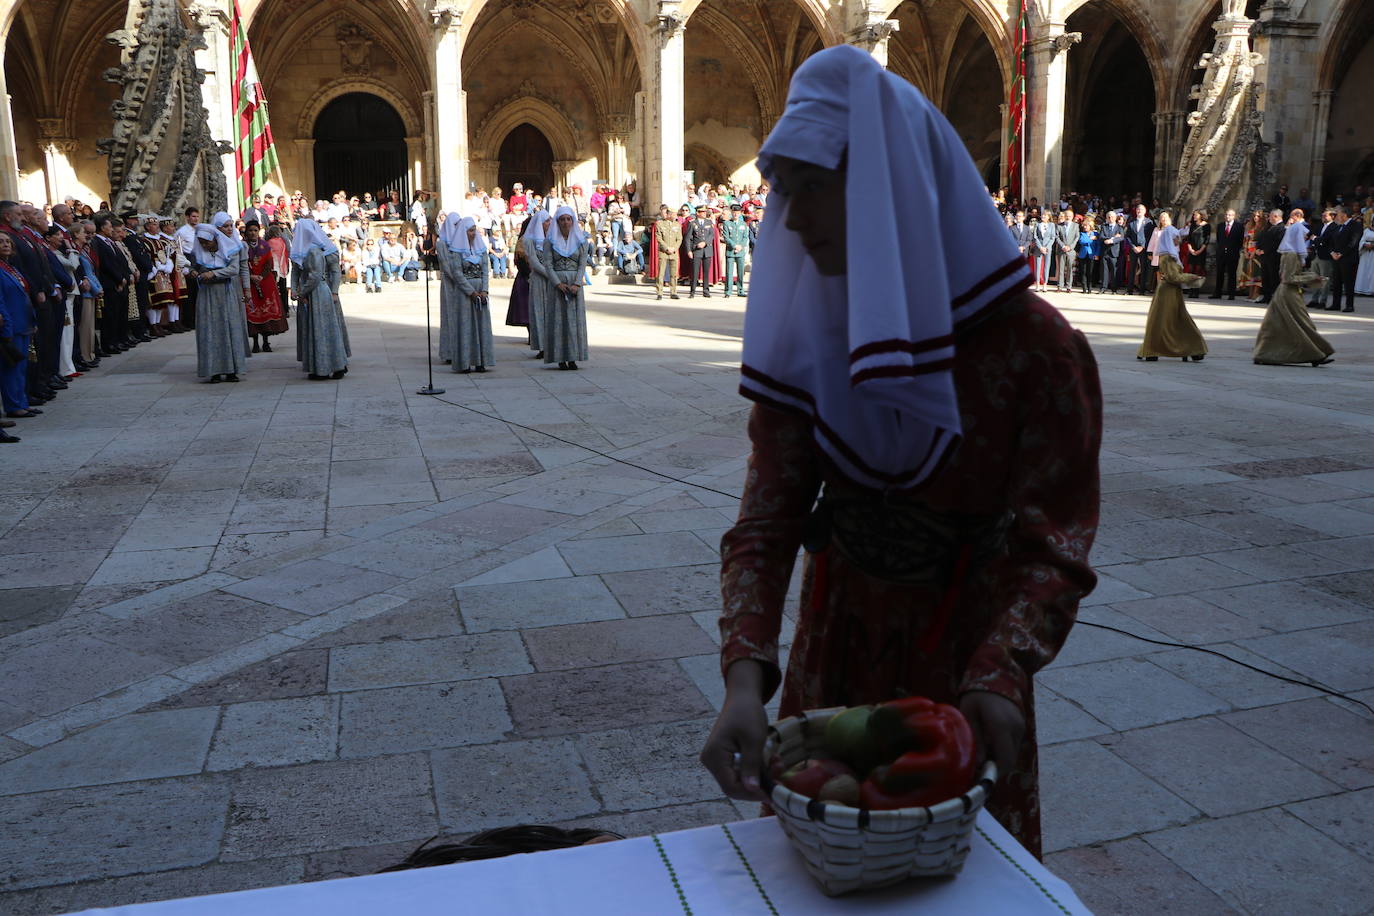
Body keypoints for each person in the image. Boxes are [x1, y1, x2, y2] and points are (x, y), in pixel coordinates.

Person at [699, 45, 1100, 860]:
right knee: (825, 863)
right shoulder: (810, 337)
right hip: (830, 657)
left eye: (815, 187)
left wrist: (1001, 669)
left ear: (889, 192)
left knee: (953, 875)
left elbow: (1051, 545)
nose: (793, 217)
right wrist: (745, 678)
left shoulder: (1036, 350)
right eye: (785, 189)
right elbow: (766, 520)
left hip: (965, 671)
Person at [1253, 210, 1334, 367]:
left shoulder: (1290, 252)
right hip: (1288, 294)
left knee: (1278, 325)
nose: (1305, 238)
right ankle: (1316, 354)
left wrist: (1310, 277)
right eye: (1303, 236)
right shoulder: (1290, 254)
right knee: (1301, 324)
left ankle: (1266, 353)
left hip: (1287, 294)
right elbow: (1289, 278)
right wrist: (1312, 278)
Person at [1137, 211, 1206, 362]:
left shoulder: (1168, 254)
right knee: (1171, 322)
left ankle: (1152, 350)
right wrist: (1193, 277)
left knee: (1165, 322)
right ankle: (1190, 349)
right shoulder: (1168, 256)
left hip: (1170, 292)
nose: (1178, 241)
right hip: (1168, 292)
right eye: (1176, 238)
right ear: (1169, 238)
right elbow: (1174, 277)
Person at [189, 223, 250, 383]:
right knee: (211, 330)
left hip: (225, 293)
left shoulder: (231, 249)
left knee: (229, 328)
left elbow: (234, 269)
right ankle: (214, 370)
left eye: (207, 242)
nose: (204, 245)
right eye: (201, 242)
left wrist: (214, 273)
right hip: (207, 296)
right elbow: (191, 267)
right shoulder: (199, 253)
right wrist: (193, 271)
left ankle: (231, 370)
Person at [290, 218, 349, 380]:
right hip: (310, 292)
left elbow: (319, 274)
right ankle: (323, 365)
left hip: (318, 293)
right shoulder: (302, 249)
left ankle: (330, 366)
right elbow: (296, 270)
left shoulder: (315, 250)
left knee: (323, 329)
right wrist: (294, 290)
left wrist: (302, 292)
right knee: (317, 330)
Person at [440, 215, 495, 373]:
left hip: (480, 291)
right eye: (470, 231)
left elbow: (486, 270)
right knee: (465, 325)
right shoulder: (456, 250)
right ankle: (465, 361)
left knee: (481, 325)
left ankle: (481, 360)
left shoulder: (481, 249)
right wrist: (471, 292)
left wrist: (484, 290)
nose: (472, 234)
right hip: (465, 293)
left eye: (474, 230)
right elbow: (457, 273)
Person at [543, 205, 590, 370]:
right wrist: (557, 283)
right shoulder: (550, 241)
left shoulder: (580, 240)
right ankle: (560, 357)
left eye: (568, 219)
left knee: (573, 321)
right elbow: (548, 264)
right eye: (562, 219)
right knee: (558, 320)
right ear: (558, 221)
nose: (565, 222)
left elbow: (582, 264)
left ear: (573, 221)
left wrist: (577, 283)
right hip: (557, 284)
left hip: (574, 284)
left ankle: (573, 357)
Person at [0, 232, 36, 430]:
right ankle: (14, 405)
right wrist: (6, 329)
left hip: (23, 323)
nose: (5, 245)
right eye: (1, 242)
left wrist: (33, 320)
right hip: (10, 325)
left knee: (20, 367)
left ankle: (21, 402)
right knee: (10, 369)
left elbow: (24, 294)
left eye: (7, 242)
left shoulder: (11, 268)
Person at [243, 221, 288, 353]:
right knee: (252, 311)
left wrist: (261, 276)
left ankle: (266, 342)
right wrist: (251, 276)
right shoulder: (243, 246)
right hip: (249, 282)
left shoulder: (265, 245)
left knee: (266, 312)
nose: (253, 233)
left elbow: (269, 263)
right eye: (250, 230)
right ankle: (255, 342)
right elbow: (242, 264)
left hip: (265, 281)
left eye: (255, 230)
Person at [524, 210, 554, 359]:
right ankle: (541, 345)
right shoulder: (529, 240)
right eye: (546, 221)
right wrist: (550, 275)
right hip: (539, 279)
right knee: (539, 311)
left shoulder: (552, 239)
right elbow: (534, 262)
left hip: (552, 281)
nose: (549, 224)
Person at [1327, 207, 1362, 313]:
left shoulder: (1355, 225)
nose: (1337, 216)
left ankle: (1349, 305)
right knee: (1336, 282)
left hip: (1348, 259)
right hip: (1336, 258)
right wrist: (1332, 252)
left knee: (1348, 283)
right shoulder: (1339, 227)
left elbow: (1353, 242)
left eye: (1338, 214)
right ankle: (1336, 304)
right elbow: (1332, 241)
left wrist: (1341, 253)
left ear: (1344, 215)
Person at [1211, 208, 1244, 300]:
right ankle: (1217, 292)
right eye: (1226, 214)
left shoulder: (1239, 226)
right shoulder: (1220, 226)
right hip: (1221, 253)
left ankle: (1231, 293)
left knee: (1232, 273)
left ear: (1234, 216)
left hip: (1233, 253)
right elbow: (1219, 239)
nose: (1227, 216)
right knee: (1220, 273)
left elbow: (1240, 240)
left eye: (1229, 215)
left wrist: (1234, 249)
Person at [1255, 209, 1286, 303]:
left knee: (1274, 277)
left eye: (1271, 216)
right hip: (1264, 256)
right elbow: (1260, 238)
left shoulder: (1282, 228)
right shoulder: (1268, 227)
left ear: (1276, 216)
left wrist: (1265, 250)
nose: (1269, 218)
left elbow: (1277, 243)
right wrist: (1258, 248)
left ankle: (1275, 298)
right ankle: (1266, 296)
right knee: (1265, 277)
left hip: (1274, 257)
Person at [652, 205, 682, 300]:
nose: (675, 216)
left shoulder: (677, 225)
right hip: (663, 252)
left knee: (673, 273)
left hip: (673, 252)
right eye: (674, 214)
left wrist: (674, 248)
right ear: (669, 214)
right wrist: (666, 248)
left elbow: (679, 239)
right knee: (661, 272)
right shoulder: (660, 224)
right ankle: (659, 292)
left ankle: (673, 292)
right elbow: (659, 238)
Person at [1124, 204, 1154, 294]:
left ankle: (1142, 290)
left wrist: (1142, 246)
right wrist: (1133, 246)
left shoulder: (1149, 222)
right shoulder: (1131, 222)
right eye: (1138, 209)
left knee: (1144, 268)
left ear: (1145, 211)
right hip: (1133, 249)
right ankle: (1130, 289)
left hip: (1144, 249)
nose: (1139, 211)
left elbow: (1150, 237)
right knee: (1132, 268)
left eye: (1141, 209)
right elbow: (1128, 236)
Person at [721, 204, 749, 297]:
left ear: (740, 213)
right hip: (730, 251)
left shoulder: (743, 224)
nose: (735, 214)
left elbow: (745, 237)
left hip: (740, 252)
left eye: (737, 213)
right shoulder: (727, 223)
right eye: (734, 212)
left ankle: (740, 290)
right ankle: (728, 291)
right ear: (731, 213)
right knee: (729, 272)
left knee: (740, 272)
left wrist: (740, 246)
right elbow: (726, 237)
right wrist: (734, 246)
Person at [687, 204, 715, 297]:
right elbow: (688, 238)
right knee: (695, 272)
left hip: (707, 249)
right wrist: (689, 250)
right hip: (696, 250)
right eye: (701, 212)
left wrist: (705, 242)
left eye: (704, 212)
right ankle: (692, 291)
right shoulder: (692, 223)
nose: (703, 213)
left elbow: (711, 235)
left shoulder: (709, 222)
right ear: (697, 213)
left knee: (706, 272)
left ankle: (706, 291)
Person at [1184, 210, 1210, 299]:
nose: (1194, 216)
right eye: (1193, 214)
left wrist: (1200, 250)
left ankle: (1196, 291)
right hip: (1192, 250)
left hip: (1201, 251)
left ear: (1201, 215)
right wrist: (1190, 248)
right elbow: (1189, 239)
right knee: (1191, 270)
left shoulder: (1207, 226)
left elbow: (1207, 240)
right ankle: (1191, 289)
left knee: (1198, 270)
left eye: (1196, 215)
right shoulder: (1192, 225)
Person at [1098, 210, 1123, 293]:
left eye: (1112, 217)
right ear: (1106, 218)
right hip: (1105, 251)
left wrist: (1111, 240)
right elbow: (1101, 236)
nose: (1110, 218)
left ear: (1115, 218)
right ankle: (1103, 287)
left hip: (1114, 251)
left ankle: (1114, 288)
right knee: (1104, 271)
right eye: (1109, 217)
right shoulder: (1104, 226)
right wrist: (1113, 237)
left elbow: (1121, 237)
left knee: (1114, 271)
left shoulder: (1119, 227)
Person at [1030, 210, 1056, 292]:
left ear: (1048, 217)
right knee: (1037, 266)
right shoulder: (1038, 224)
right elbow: (1035, 236)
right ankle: (1037, 284)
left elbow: (1053, 237)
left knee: (1047, 266)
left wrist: (1047, 247)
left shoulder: (1052, 225)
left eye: (1045, 216)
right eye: (1042, 215)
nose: (1043, 217)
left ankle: (1045, 284)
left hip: (1048, 248)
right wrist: (1040, 247)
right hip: (1039, 247)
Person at [1055, 209, 1078, 292]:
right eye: (1067, 216)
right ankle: (1060, 286)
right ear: (1064, 216)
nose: (1068, 217)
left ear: (1072, 217)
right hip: (1061, 250)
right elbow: (1056, 237)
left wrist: (1070, 247)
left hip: (1071, 251)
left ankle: (1069, 286)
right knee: (1061, 269)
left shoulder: (1076, 226)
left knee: (1070, 269)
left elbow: (1076, 237)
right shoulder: (1059, 225)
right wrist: (1063, 246)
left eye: (1070, 216)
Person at [1076, 216, 1099, 295]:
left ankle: (1090, 288)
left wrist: (1097, 254)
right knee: (1083, 272)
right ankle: (1084, 288)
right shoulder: (1082, 233)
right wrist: (1091, 239)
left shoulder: (1095, 234)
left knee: (1090, 272)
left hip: (1091, 254)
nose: (1085, 227)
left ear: (1090, 226)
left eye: (1086, 225)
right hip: (1083, 255)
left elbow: (1098, 245)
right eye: (1084, 226)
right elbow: (1082, 241)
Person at [1356, 218, 1374, 296]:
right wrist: (1364, 244)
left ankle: (1372, 290)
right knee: (1364, 271)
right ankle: (1361, 290)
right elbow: (1361, 240)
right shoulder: (1367, 230)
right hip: (1365, 253)